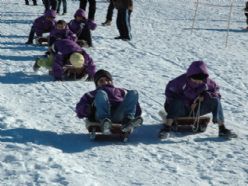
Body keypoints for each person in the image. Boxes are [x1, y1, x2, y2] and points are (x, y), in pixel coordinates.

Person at [159, 61, 237, 139]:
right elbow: (170, 94)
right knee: (177, 101)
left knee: (215, 100)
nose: (198, 82)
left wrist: (204, 96)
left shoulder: (208, 82)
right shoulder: (179, 82)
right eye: (195, 79)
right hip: (179, 108)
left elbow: (216, 92)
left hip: (196, 109)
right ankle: (166, 128)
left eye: (200, 80)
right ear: (190, 76)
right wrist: (187, 102)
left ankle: (222, 128)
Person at [76, 69, 142, 134]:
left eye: (107, 80)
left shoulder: (121, 91)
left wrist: (136, 115)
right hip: (101, 115)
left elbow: (133, 103)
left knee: (134, 92)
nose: (105, 82)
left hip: (118, 114)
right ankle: (105, 123)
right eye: (101, 81)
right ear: (97, 84)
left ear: (111, 81)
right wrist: (86, 109)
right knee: (101, 93)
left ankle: (128, 121)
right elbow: (80, 108)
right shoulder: (91, 94)